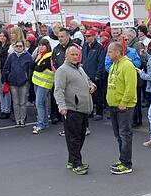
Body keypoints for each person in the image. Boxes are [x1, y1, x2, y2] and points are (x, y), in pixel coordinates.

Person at [54, 45, 95, 175]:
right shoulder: (62, 71)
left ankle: (72, 161)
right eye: (73, 54)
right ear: (66, 56)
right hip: (72, 109)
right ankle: (77, 163)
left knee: (80, 136)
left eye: (77, 54)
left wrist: (92, 86)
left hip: (83, 109)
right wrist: (62, 106)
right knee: (74, 138)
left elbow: (88, 81)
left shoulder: (80, 68)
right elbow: (58, 90)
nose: (75, 57)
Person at [106, 42, 137, 175]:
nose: (108, 54)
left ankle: (126, 163)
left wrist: (124, 102)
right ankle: (122, 159)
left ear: (118, 52)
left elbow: (130, 87)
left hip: (124, 107)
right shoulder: (114, 65)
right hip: (114, 105)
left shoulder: (127, 65)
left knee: (125, 135)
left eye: (110, 51)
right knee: (119, 135)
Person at [4, 39, 33, 127]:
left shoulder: (28, 56)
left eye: (20, 46)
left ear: (23, 47)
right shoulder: (11, 56)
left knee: (23, 102)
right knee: (15, 102)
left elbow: (31, 68)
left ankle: (22, 120)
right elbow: (6, 68)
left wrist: (28, 78)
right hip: (13, 82)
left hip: (24, 82)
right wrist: (7, 78)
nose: (18, 47)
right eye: (17, 46)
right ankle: (17, 120)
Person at [81, 30, 106, 121]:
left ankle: (99, 113)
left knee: (98, 94)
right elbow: (83, 59)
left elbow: (101, 61)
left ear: (93, 36)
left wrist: (98, 74)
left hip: (95, 74)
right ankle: (90, 111)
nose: (87, 38)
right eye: (86, 36)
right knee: (88, 94)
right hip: (86, 73)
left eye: (89, 36)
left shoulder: (99, 47)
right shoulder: (84, 46)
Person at [32, 39, 55, 134]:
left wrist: (36, 61)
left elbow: (39, 68)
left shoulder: (49, 55)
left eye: (43, 45)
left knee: (39, 104)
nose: (41, 47)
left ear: (47, 46)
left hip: (44, 83)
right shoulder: (41, 55)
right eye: (39, 45)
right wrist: (36, 62)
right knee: (43, 103)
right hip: (38, 82)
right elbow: (33, 66)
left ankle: (41, 124)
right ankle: (44, 122)